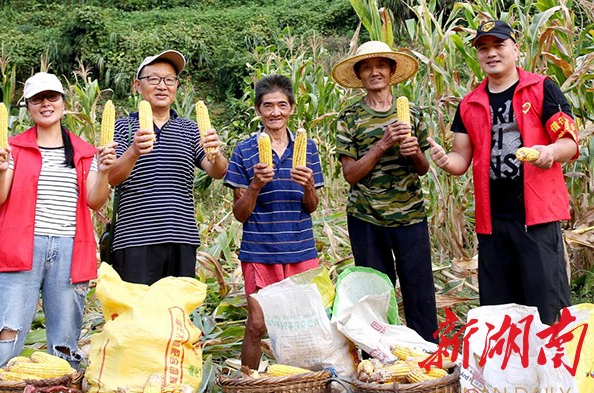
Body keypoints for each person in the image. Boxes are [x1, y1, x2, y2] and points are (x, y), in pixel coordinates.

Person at [428, 20, 579, 324]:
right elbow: (461, 158)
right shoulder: (469, 104)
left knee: (546, 307)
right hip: (492, 222)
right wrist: (445, 161)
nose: (491, 53)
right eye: (483, 48)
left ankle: (549, 354)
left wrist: (549, 152)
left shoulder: (541, 88)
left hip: (536, 218)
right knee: (500, 313)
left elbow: (569, 142)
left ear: (516, 48)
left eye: (499, 45)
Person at [0, 72, 116, 393]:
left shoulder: (84, 152)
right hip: (20, 249)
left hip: (70, 251)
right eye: (37, 99)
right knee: (7, 337)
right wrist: (0, 170)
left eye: (52, 97)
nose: (46, 104)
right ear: (28, 107)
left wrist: (104, 171)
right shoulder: (12, 149)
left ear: (63, 103)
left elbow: (95, 200)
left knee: (64, 346)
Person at [331, 41, 439, 343]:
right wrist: (382, 144)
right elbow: (350, 175)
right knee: (374, 294)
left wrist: (414, 152)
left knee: (419, 290)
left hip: (410, 215)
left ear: (392, 71)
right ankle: (377, 355)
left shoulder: (413, 112)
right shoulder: (350, 117)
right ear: (359, 75)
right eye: (367, 67)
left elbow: (422, 168)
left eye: (381, 65)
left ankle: (429, 354)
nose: (374, 72)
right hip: (367, 217)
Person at [224, 74, 324, 369]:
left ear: (291, 108)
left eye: (282, 105)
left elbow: (312, 206)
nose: (275, 112)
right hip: (260, 251)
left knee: (303, 324)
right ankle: (248, 385)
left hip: (300, 249)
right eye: (268, 106)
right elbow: (240, 213)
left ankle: (303, 385)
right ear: (258, 110)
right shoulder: (244, 151)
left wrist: (308, 186)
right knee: (257, 324)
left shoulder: (308, 149)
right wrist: (255, 185)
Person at [108, 50, 228, 285]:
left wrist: (215, 152)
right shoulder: (122, 127)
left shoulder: (190, 129)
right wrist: (134, 151)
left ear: (176, 86)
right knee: (138, 307)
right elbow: (111, 177)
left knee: (177, 306)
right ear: (138, 85)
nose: (162, 86)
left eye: (169, 80)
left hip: (181, 237)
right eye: (153, 79)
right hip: (134, 239)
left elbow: (217, 171)